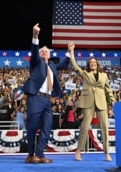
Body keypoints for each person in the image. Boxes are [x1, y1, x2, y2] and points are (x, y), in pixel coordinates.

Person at [14, 23, 70, 164]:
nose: (44, 53)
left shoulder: (52, 66)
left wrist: (70, 52)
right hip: (35, 98)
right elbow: (34, 51)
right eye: (42, 51)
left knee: (46, 128)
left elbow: (63, 65)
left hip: (47, 101)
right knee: (32, 126)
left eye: (46, 51)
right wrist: (35, 36)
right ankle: (31, 154)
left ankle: (39, 154)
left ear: (50, 55)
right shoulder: (36, 62)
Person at [68, 41, 116, 162]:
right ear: (89, 65)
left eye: (95, 62)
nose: (93, 64)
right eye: (91, 63)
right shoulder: (85, 74)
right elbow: (75, 66)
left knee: (105, 127)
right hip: (88, 102)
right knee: (84, 127)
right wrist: (72, 51)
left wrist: (112, 100)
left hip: (101, 103)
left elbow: (108, 89)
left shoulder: (104, 75)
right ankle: (78, 151)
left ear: (97, 64)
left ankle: (106, 153)